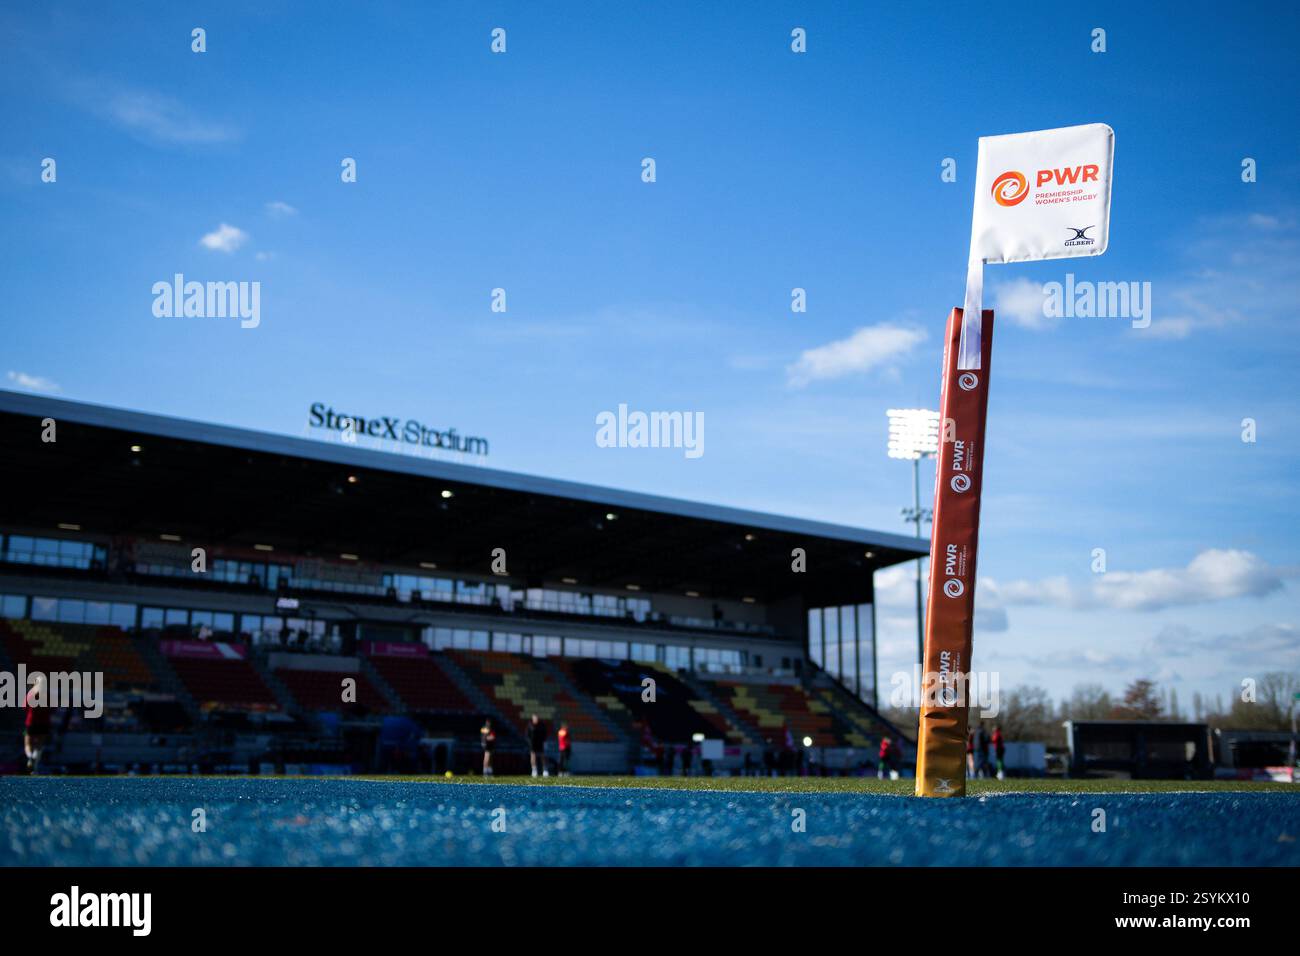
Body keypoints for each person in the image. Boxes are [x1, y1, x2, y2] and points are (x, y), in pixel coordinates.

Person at [24, 675, 51, 774]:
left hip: (31, 721)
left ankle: (30, 757)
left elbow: (24, 707)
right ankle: (34, 767)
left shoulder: (30, 694)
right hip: (44, 722)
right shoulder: (47, 695)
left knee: (28, 744)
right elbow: (52, 708)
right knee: (39, 745)